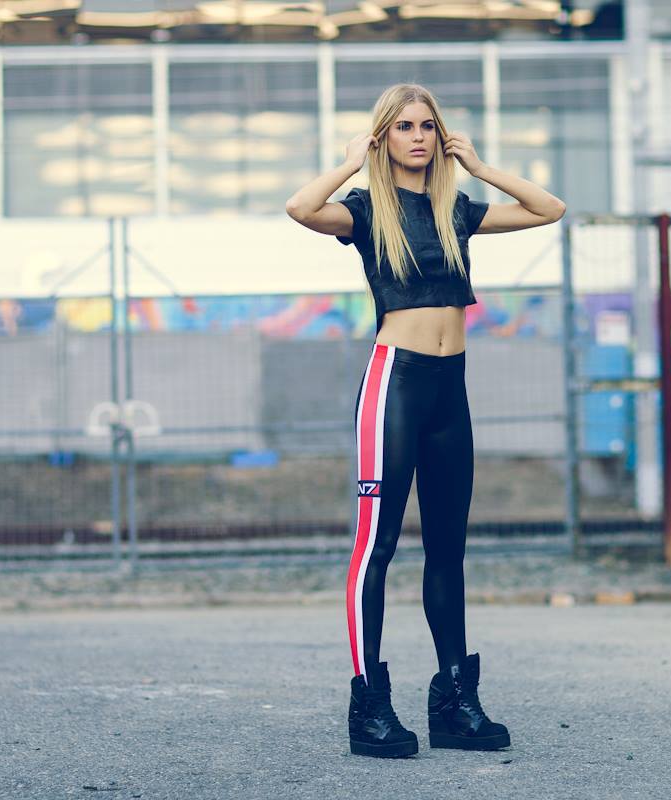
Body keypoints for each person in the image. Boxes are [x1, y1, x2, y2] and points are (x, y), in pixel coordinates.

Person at [285, 83, 566, 758]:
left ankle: (454, 703)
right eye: (404, 126)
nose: (418, 136)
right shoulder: (364, 210)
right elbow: (301, 207)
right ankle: (368, 705)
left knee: (447, 551)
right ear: (384, 136)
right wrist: (350, 162)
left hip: (449, 390)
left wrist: (481, 167)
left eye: (428, 126)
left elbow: (549, 209)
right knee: (376, 548)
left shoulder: (455, 210)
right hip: (397, 384)